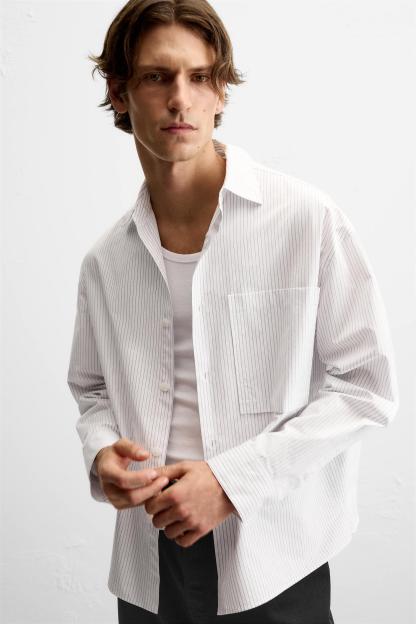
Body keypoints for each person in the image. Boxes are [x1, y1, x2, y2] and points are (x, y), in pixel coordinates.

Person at [67, 1, 399, 622]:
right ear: (119, 92)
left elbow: (366, 386)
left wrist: (229, 483)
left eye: (200, 77)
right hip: (148, 562)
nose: (180, 99)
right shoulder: (106, 261)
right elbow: (92, 390)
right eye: (156, 77)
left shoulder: (306, 220)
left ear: (221, 92)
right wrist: (103, 450)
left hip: (274, 552)